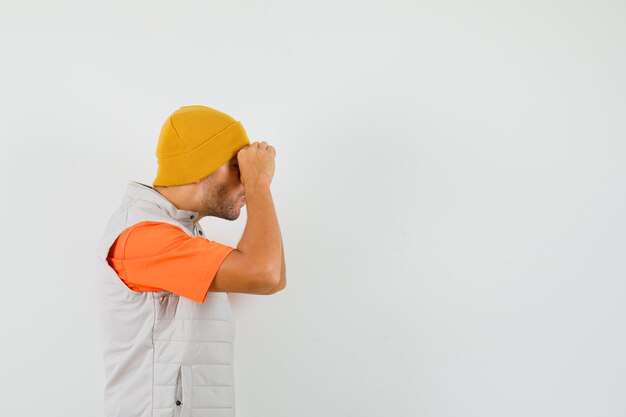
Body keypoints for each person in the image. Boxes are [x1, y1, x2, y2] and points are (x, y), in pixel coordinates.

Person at [94, 105, 286, 417]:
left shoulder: (181, 231)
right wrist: (259, 184)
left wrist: (258, 185)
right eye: (239, 167)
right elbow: (261, 272)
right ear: (201, 166)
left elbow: (273, 279)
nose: (247, 184)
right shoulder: (142, 238)